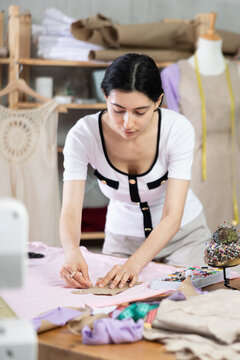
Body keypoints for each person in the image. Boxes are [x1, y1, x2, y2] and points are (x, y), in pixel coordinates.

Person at [59, 53, 211, 289]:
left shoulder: (177, 130)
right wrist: (71, 252)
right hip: (121, 240)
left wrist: (134, 265)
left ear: (158, 101)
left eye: (140, 112)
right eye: (117, 110)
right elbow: (70, 210)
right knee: (111, 304)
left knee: (186, 300)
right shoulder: (83, 135)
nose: (127, 123)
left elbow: (172, 216)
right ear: (105, 95)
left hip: (183, 238)